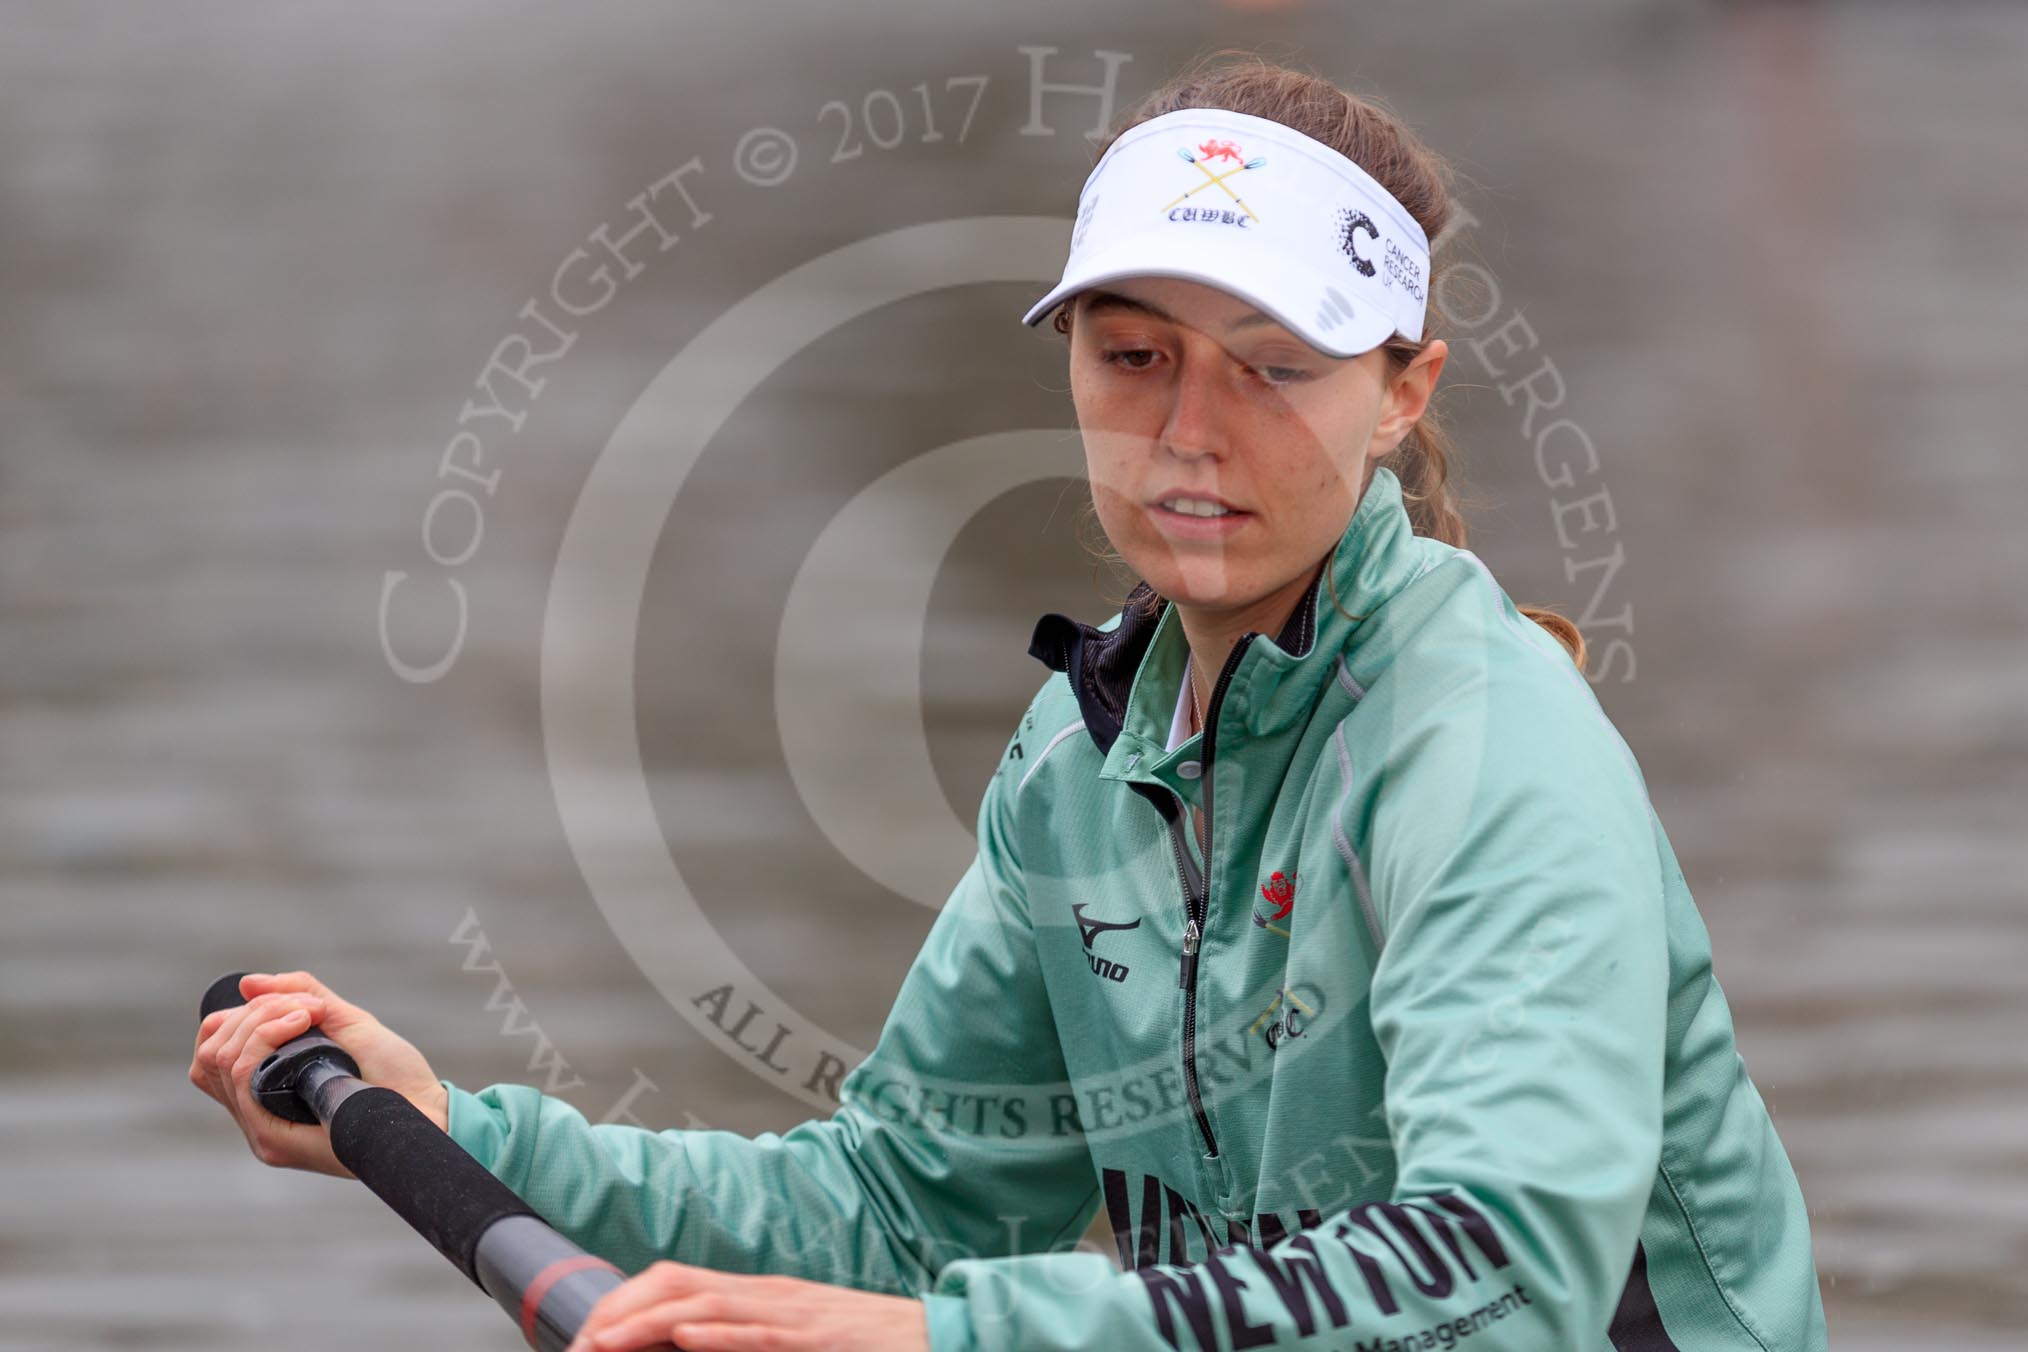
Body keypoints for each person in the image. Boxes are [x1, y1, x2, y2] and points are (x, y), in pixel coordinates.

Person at [191, 56, 1827, 1352]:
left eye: (1270, 364)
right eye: (1134, 357)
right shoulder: (1087, 752)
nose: (1191, 430)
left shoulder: (1493, 753)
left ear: (1403, 393)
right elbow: (901, 1219)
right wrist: (453, 1130)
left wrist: (937, 1341)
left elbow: (1504, 1282)